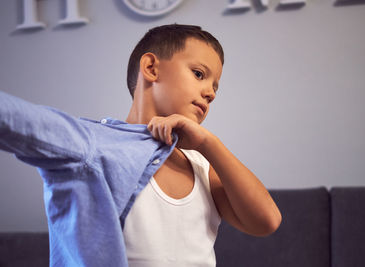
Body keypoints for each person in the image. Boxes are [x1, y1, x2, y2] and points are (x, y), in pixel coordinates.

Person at [0, 24, 281, 267]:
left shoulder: (203, 165)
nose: (210, 92)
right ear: (150, 67)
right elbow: (21, 121)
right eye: (199, 74)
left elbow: (267, 221)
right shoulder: (94, 145)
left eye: (215, 87)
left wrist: (209, 143)